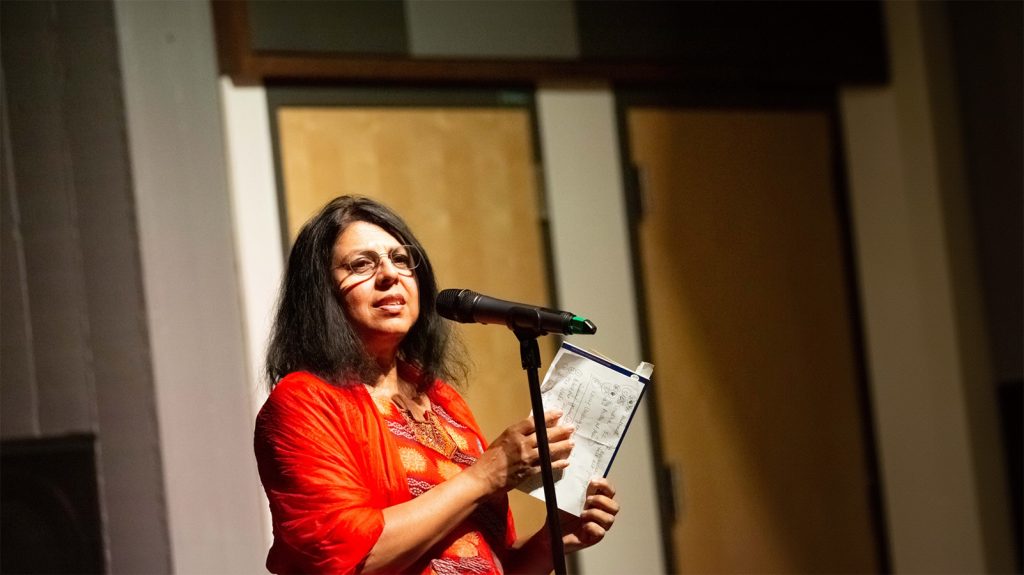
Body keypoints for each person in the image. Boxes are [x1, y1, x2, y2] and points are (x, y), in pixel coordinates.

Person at [255, 195, 619, 574]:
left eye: (401, 259)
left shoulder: (442, 400)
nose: (390, 275)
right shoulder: (303, 402)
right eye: (361, 264)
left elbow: (488, 561)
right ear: (321, 292)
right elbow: (346, 559)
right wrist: (487, 474)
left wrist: (550, 541)